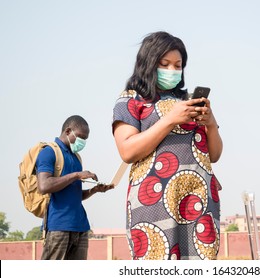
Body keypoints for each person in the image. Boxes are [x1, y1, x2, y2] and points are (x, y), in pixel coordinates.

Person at [112, 31, 223, 260]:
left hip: (199, 200)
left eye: (177, 65)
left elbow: (215, 154)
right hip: (155, 200)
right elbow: (127, 150)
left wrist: (211, 123)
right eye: (165, 64)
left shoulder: (188, 102)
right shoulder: (131, 99)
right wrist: (170, 119)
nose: (172, 71)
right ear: (148, 63)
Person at [36, 115, 114, 260]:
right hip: (59, 226)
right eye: (80, 137)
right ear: (67, 131)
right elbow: (44, 185)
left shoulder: (76, 157)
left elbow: (75, 195)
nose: (82, 142)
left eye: (85, 139)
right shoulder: (49, 152)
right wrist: (77, 175)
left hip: (81, 227)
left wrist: (95, 190)